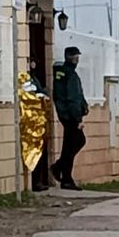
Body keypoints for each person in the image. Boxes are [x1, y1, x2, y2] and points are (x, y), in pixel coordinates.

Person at [50, 47, 89, 191]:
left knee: (70, 145)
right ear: (69, 57)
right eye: (75, 57)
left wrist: (83, 105)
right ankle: (61, 170)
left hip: (65, 114)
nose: (77, 59)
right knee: (78, 141)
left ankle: (64, 174)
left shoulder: (62, 72)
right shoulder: (70, 74)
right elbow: (73, 97)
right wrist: (77, 117)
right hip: (71, 116)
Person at [28, 58, 50, 192]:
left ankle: (39, 180)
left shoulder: (34, 78)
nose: (33, 64)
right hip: (31, 120)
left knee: (40, 150)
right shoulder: (27, 79)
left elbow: (41, 92)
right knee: (34, 152)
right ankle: (35, 181)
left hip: (39, 118)